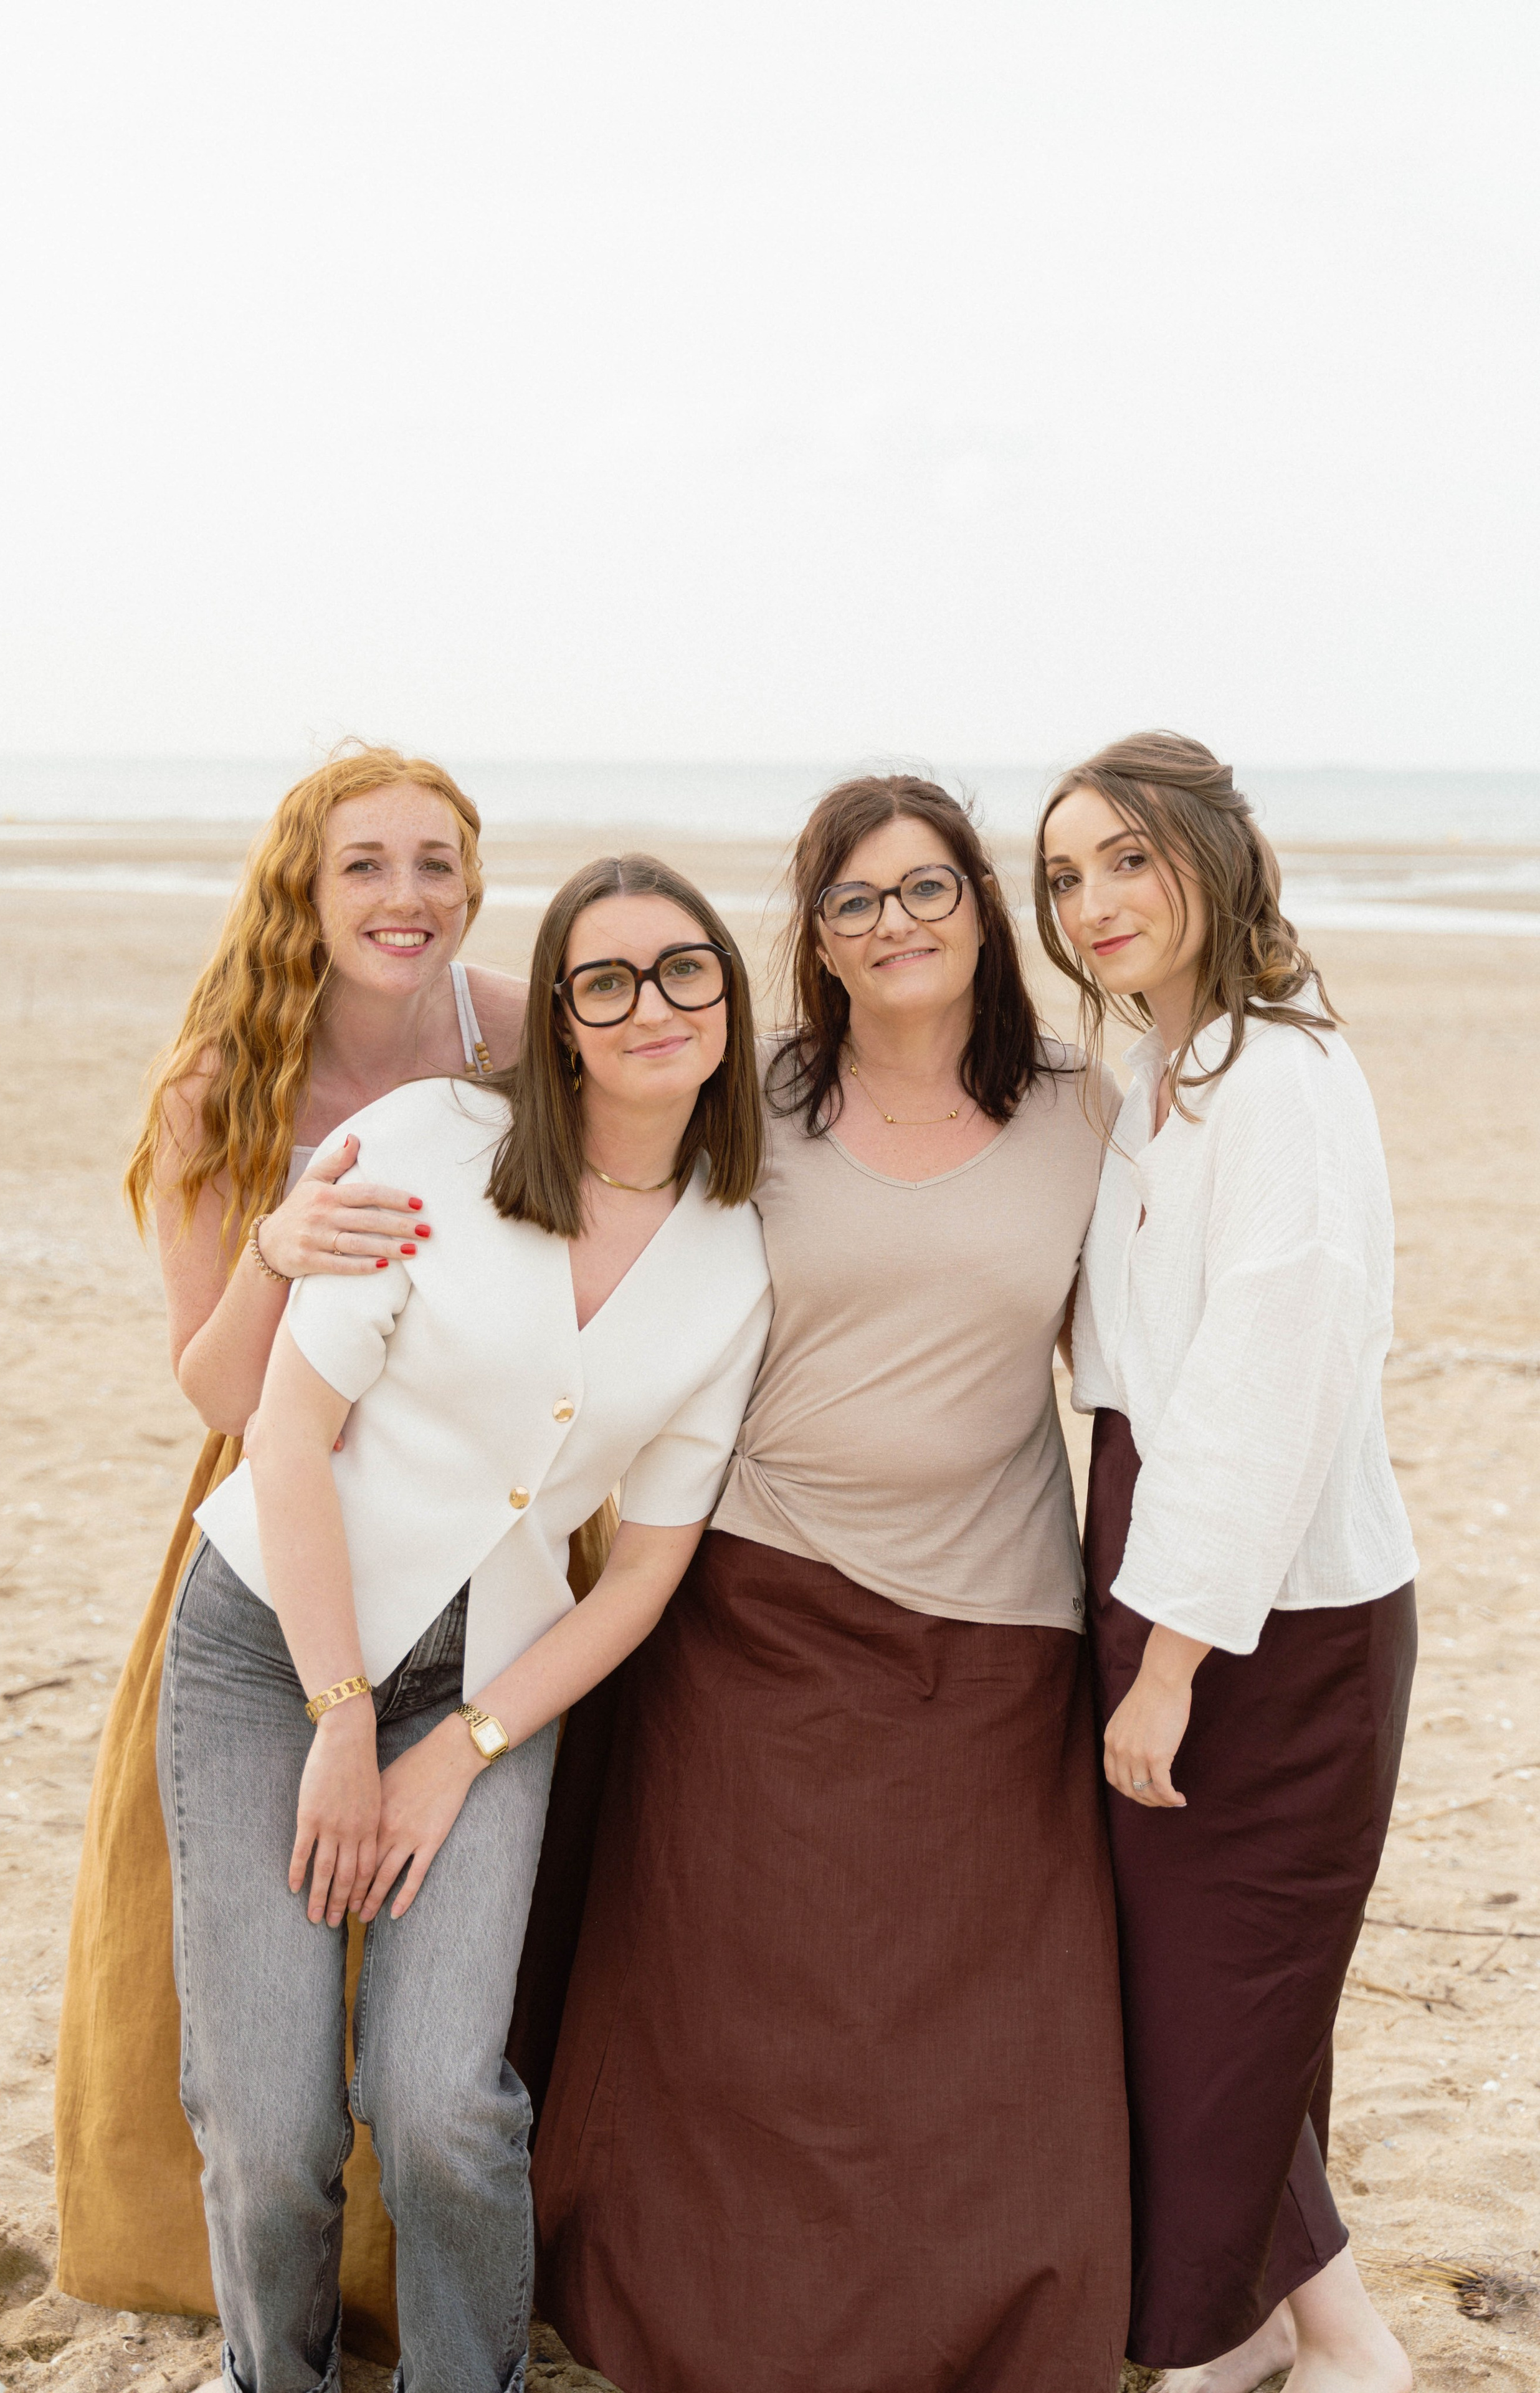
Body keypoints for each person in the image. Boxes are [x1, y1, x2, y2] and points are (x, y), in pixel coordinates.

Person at [533, 775, 1130, 2393]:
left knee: (990, 2039)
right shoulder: (759, 1095)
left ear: (983, 909)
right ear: (817, 939)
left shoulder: (1092, 1110)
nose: (896, 925)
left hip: (999, 1623)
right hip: (752, 1602)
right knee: (732, 2027)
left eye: (926, 889)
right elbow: (550, 1132)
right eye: (856, 902)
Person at [166, 850, 769, 2393]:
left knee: (440, 2111)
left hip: (491, 1684)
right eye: (606, 979)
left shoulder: (735, 1256)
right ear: (555, 1017)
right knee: (271, 2121)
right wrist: (344, 1719)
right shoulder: (426, 1145)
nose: (651, 1006)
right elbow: (281, 1438)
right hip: (271, 1654)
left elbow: (639, 1571)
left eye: (684, 970)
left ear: (728, 997)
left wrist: (460, 1748)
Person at [55, 744, 543, 2342]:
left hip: (490, 1550)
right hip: (287, 1537)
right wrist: (274, 1248)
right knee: (260, 2088)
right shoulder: (226, 1079)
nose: (406, 897)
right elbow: (210, 1382)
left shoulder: (518, 1033)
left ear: (471, 878)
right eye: (365, 865)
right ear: (303, 889)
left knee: (446, 2059)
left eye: (434, 862)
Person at [1035, 733, 1417, 2393]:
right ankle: (1249, 2320)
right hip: (1151, 1533)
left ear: (1210, 854)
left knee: (1220, 1984)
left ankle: (1345, 2340)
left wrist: (1172, 1663)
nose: (1093, 901)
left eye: (1127, 857)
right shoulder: (1152, 1073)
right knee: (1189, 1976)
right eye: (1061, 876)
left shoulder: (1279, 1074)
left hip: (1274, 1601)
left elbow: (1269, 1379)